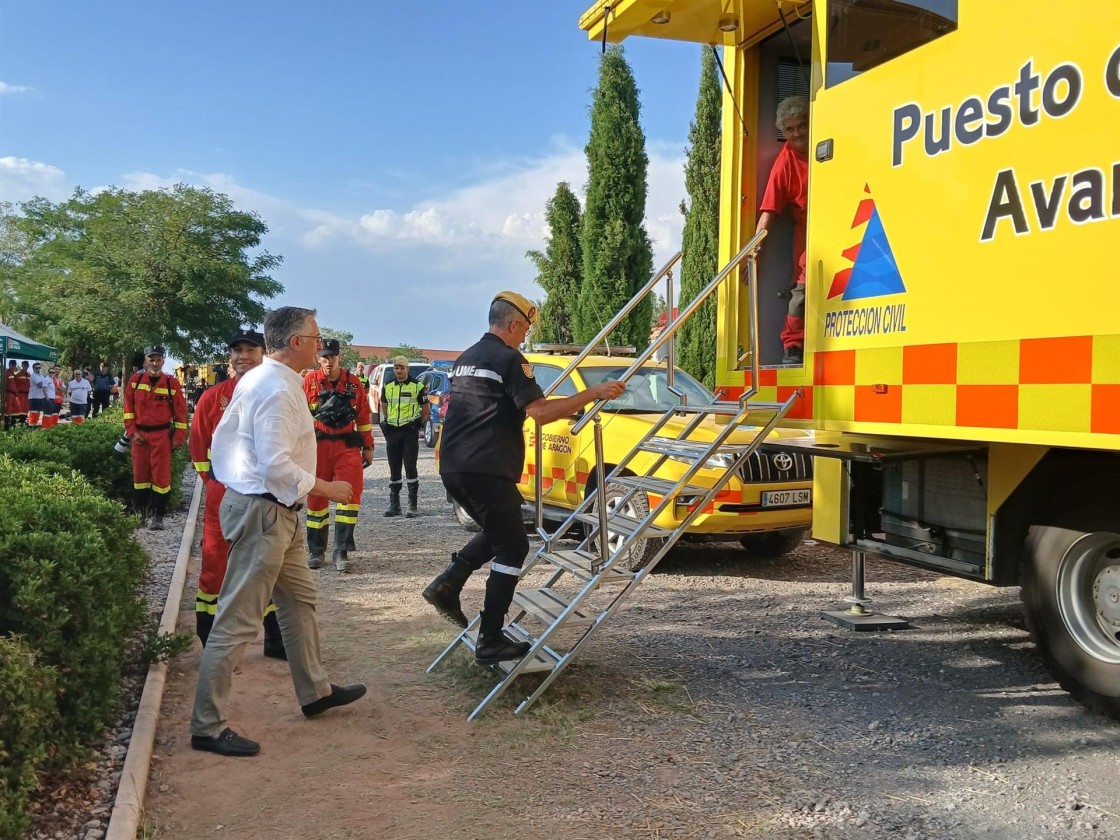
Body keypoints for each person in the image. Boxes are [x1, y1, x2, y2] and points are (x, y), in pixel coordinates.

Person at [191, 306, 366, 758]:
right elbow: (274, 465)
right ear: (295, 343)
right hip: (263, 512)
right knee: (237, 621)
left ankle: (315, 692)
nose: (319, 342)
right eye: (314, 336)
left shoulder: (269, 380)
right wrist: (329, 487)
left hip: (274, 514)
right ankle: (207, 727)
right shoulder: (275, 388)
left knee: (300, 602)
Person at [422, 291, 626, 665]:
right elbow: (542, 412)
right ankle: (490, 638)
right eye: (526, 329)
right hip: (487, 467)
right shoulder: (510, 359)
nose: (525, 337)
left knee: (501, 529)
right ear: (515, 324)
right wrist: (592, 393)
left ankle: (448, 584)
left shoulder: (467, 356)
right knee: (513, 547)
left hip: (454, 464)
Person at [190, 328, 285, 659]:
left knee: (267, 567)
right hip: (223, 495)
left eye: (251, 349)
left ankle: (275, 639)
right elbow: (199, 447)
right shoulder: (212, 398)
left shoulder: (278, 394)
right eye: (237, 350)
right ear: (230, 356)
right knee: (216, 564)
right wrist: (214, 482)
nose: (243, 355)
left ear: (264, 354)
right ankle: (209, 637)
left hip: (266, 498)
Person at [302, 338, 373, 572]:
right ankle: (316, 550)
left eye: (332, 356)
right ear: (318, 358)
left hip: (346, 446)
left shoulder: (353, 383)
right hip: (318, 447)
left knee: (349, 498)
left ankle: (341, 550)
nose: (328, 361)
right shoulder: (309, 382)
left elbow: (363, 417)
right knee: (316, 499)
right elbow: (298, 416)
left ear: (338, 357)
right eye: (324, 357)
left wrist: (368, 447)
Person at [755, 94, 810, 366]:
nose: (797, 133)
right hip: (808, 229)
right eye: (790, 129)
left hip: (848, 218)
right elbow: (769, 210)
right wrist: (755, 251)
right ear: (783, 132)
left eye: (801, 125)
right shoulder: (784, 162)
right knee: (802, 286)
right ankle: (793, 345)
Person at [122, 346, 188, 529]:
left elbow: (181, 413)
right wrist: (132, 432)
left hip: (161, 436)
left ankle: (158, 516)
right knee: (140, 477)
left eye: (158, 360)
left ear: (163, 362)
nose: (155, 363)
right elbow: (128, 409)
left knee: (161, 478)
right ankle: (140, 515)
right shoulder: (135, 381)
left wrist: (179, 438)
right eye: (151, 359)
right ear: (145, 361)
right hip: (139, 437)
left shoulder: (170, 383)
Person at [379, 355, 428, 518]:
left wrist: (418, 424)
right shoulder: (388, 386)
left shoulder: (417, 386)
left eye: (401, 368)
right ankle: (395, 505)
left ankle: (412, 505)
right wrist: (387, 422)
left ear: (407, 369)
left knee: (410, 466)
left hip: (409, 431)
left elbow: (425, 408)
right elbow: (384, 406)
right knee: (394, 468)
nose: (398, 371)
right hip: (393, 430)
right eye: (396, 368)